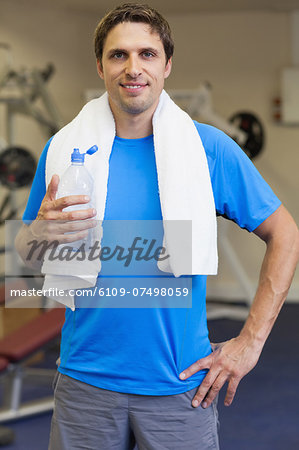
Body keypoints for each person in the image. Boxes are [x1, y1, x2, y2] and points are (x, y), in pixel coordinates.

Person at [15, 3, 299, 449]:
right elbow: (25, 248)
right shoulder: (62, 150)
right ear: (101, 65)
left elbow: (285, 233)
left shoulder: (209, 149)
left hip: (178, 385)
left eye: (147, 54)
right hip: (84, 381)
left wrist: (251, 342)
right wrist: (38, 236)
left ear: (167, 65)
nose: (133, 68)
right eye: (118, 55)